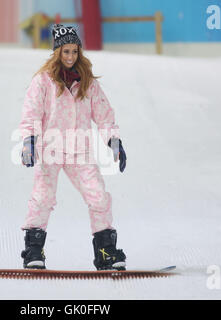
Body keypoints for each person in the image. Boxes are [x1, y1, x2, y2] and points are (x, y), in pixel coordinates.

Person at [19, 24, 127, 271]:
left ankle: (105, 252)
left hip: (80, 152)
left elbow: (104, 115)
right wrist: (29, 140)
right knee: (43, 197)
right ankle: (33, 251)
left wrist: (114, 142)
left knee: (98, 196)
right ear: (57, 52)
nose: (70, 57)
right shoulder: (43, 82)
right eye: (65, 51)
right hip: (51, 149)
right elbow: (31, 114)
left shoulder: (87, 83)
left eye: (74, 52)